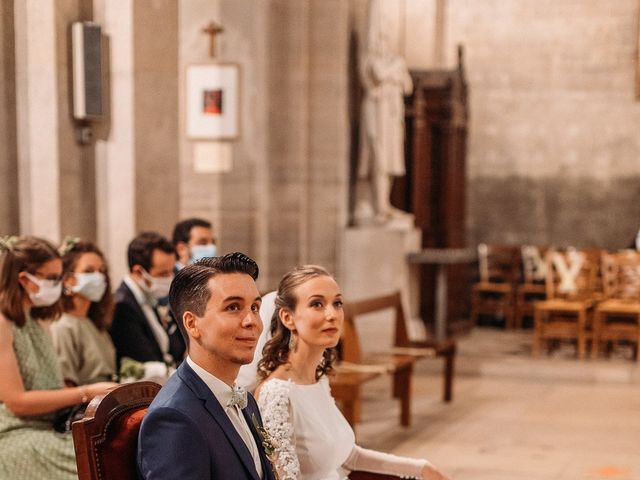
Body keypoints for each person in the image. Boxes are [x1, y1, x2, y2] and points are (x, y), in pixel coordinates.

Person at [255, 265, 450, 480]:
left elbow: (348, 458)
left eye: (337, 303)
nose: (332, 315)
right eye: (317, 304)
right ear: (288, 318)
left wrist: (422, 469)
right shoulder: (275, 394)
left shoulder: (318, 379)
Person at [137, 253, 276, 480]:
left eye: (254, 307)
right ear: (192, 324)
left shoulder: (247, 401)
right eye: (233, 307)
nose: (251, 321)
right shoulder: (174, 418)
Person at [0, 236, 116, 479]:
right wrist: (86, 392)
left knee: (117, 451)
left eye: (59, 276)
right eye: (51, 278)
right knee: (99, 466)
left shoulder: (38, 320)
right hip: (16, 434)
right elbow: (16, 401)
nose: (59, 285)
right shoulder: (3, 323)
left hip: (53, 426)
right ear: (23, 279)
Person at [356, 0, 413, 223]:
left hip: (390, 114)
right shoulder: (373, 59)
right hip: (377, 114)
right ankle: (377, 205)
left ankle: (384, 203)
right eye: (381, 35)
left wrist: (396, 69)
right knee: (379, 158)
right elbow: (378, 74)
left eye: (386, 36)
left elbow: (408, 85)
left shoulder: (393, 60)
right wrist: (396, 69)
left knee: (390, 161)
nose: (384, 39)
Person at [109, 232, 185, 367]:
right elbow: (143, 358)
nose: (170, 278)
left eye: (171, 271)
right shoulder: (122, 306)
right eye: (163, 274)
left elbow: (173, 347)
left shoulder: (150, 295)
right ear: (139, 272)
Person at [50, 238, 117, 386]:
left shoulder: (93, 322)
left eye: (102, 271)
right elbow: (65, 386)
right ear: (68, 279)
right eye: (89, 271)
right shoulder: (63, 326)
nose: (99, 277)